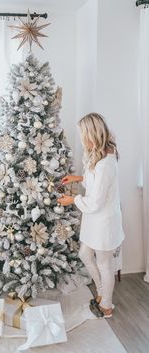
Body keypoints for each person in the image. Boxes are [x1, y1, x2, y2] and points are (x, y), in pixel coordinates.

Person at [57, 113, 125, 318]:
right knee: (85, 254)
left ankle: (107, 306)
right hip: (93, 220)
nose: (81, 139)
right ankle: (102, 292)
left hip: (103, 222)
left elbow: (95, 201)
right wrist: (78, 178)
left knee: (105, 264)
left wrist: (73, 200)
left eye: (82, 134)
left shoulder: (106, 163)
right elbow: (92, 182)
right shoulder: (98, 154)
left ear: (92, 134)